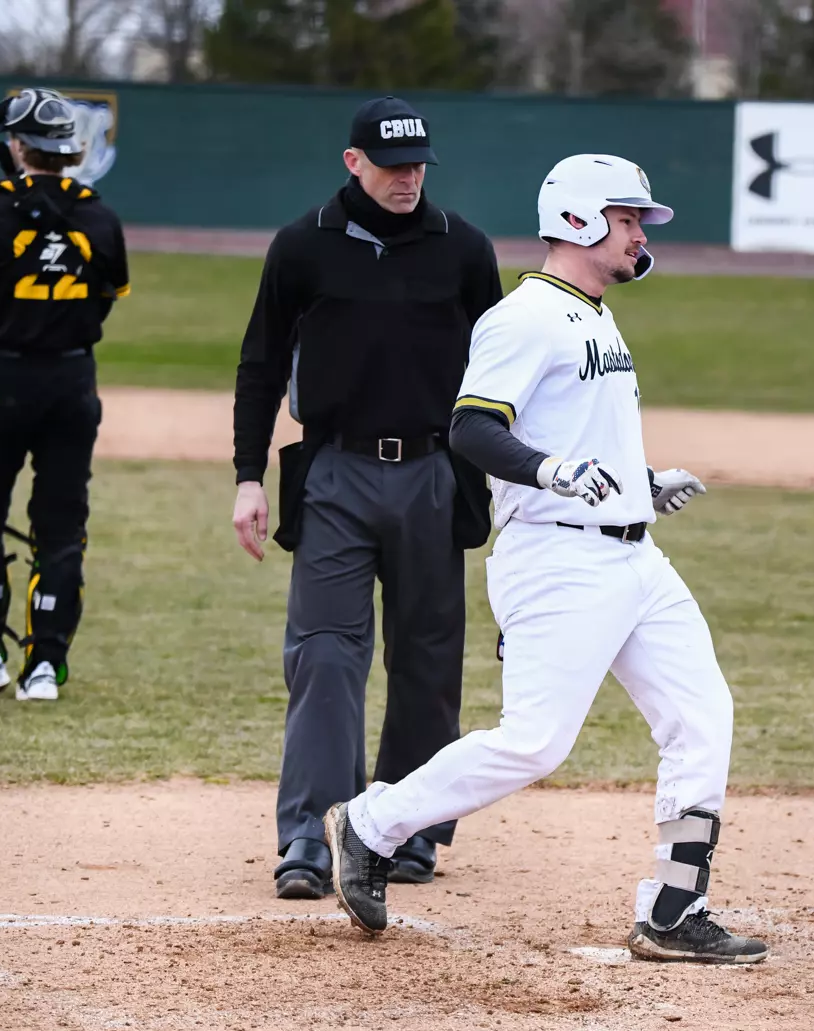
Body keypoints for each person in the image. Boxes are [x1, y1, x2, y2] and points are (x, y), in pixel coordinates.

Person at [320, 153, 769, 966]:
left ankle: (674, 907)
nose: (639, 232)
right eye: (627, 218)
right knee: (534, 741)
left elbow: (583, 430)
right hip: (558, 562)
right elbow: (473, 427)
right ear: (579, 221)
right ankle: (370, 822)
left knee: (704, 716)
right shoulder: (525, 316)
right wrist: (551, 471)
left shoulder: (594, 314)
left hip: (635, 561)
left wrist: (640, 484)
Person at [230, 96, 502, 900]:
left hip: (433, 472)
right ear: (354, 163)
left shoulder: (464, 249)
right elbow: (260, 365)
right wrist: (250, 475)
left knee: (425, 657)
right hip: (336, 473)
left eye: (418, 164)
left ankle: (407, 826)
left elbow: (504, 371)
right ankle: (310, 838)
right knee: (323, 654)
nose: (408, 178)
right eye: (392, 165)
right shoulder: (302, 246)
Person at [0, 87, 129, 700]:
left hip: (5, 379)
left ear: (17, 147)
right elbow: (108, 299)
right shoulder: (100, 215)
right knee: (62, 521)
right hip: (74, 382)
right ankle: (45, 665)